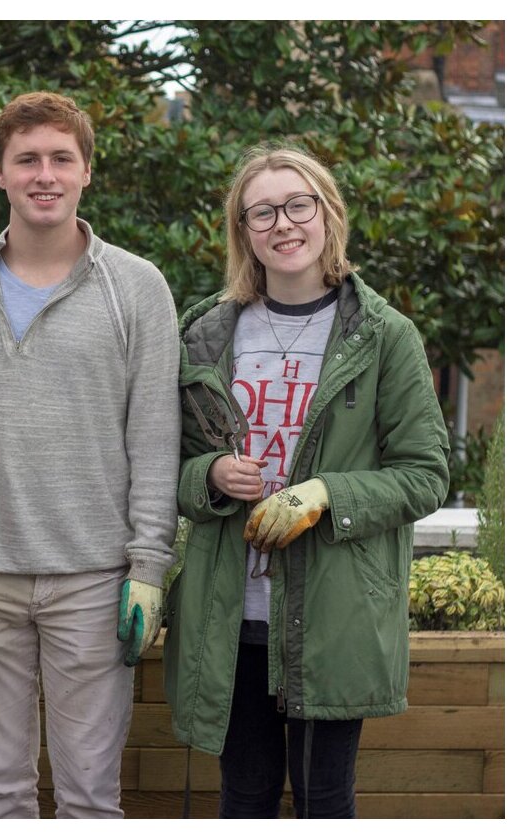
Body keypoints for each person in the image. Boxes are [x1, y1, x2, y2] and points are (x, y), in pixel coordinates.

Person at [0, 91, 181, 819]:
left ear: (86, 171)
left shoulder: (136, 288)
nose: (44, 174)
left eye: (60, 158)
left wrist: (149, 567)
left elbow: (153, 437)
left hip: (92, 578)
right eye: (27, 159)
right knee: (0, 791)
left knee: (90, 795)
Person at [163, 144, 450, 818]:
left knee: (324, 800)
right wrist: (208, 475)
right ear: (242, 231)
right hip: (230, 613)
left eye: (298, 205)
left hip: (332, 613)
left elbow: (426, 473)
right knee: (245, 797)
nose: (282, 223)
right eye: (261, 212)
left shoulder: (384, 336)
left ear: (327, 214)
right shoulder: (204, 334)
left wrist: (326, 494)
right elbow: (161, 467)